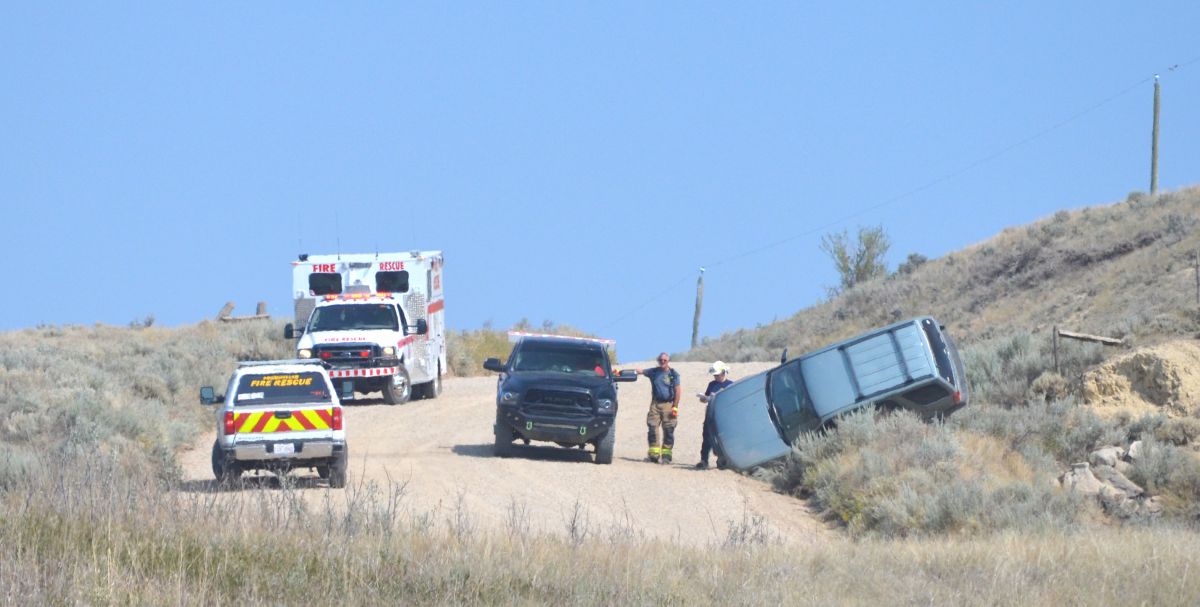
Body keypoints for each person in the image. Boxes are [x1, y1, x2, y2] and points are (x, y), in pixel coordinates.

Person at [632, 352, 682, 464]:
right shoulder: (653, 372)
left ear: (668, 361)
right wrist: (620, 372)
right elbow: (640, 371)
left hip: (669, 405)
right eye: (660, 360)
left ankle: (666, 457)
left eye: (665, 360)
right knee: (652, 428)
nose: (662, 362)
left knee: (669, 430)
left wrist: (675, 407)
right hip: (655, 404)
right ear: (658, 360)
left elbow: (678, 391)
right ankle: (654, 456)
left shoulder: (674, 374)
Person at [695, 361, 733, 469]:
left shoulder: (730, 385)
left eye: (717, 374)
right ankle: (704, 461)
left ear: (723, 372)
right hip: (710, 415)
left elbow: (731, 401)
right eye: (714, 375)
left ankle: (722, 461)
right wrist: (703, 398)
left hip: (723, 417)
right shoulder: (711, 384)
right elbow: (705, 399)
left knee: (722, 439)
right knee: (706, 437)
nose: (715, 377)